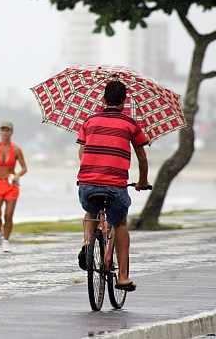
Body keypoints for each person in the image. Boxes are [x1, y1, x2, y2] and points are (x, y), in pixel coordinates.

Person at [76, 80, 150, 291]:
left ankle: (87, 245)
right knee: (120, 224)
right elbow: (142, 157)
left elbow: (82, 152)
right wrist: (142, 181)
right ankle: (123, 277)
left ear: (103, 99)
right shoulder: (130, 124)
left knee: (91, 210)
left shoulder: (89, 121)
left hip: (87, 185)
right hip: (115, 188)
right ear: (124, 102)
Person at [0, 120, 28, 252]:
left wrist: (17, 175)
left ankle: (6, 240)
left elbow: (24, 168)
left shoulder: (16, 149)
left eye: (7, 130)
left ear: (11, 132)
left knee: (8, 215)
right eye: (2, 130)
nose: (5, 132)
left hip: (11, 184)